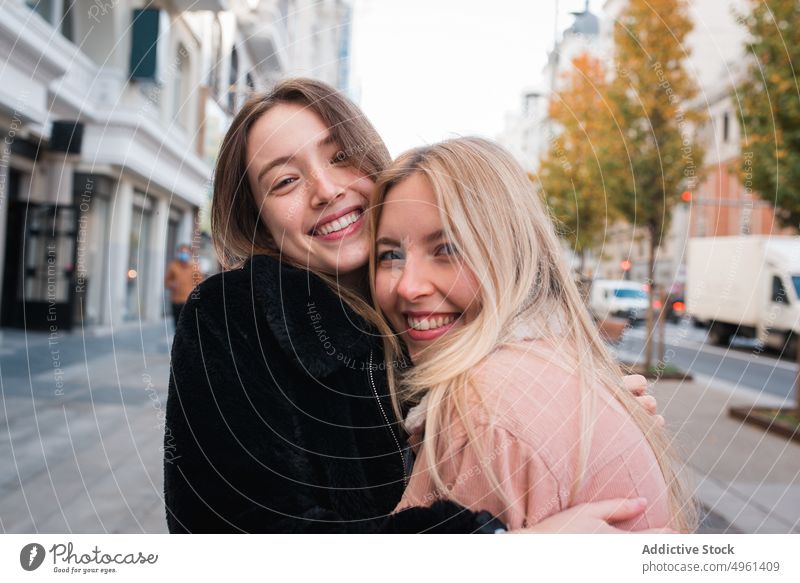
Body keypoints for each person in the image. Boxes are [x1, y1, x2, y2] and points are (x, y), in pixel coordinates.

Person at [164, 78, 667, 533]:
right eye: (285, 181)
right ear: (260, 223)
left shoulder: (416, 312)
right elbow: (231, 535)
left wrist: (567, 409)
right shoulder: (234, 315)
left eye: (340, 156)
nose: (326, 189)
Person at [370, 137, 697, 532]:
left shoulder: (483, 405)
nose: (408, 287)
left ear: (513, 254)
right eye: (391, 255)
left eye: (448, 249)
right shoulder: (549, 369)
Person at [164, 244, 199, 326]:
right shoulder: (173, 266)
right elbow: (166, 282)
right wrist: (171, 284)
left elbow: (200, 284)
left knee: (187, 326)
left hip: (189, 302)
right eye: (181, 252)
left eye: (185, 252)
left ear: (190, 254)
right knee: (177, 325)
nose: (183, 254)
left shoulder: (195, 268)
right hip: (176, 301)